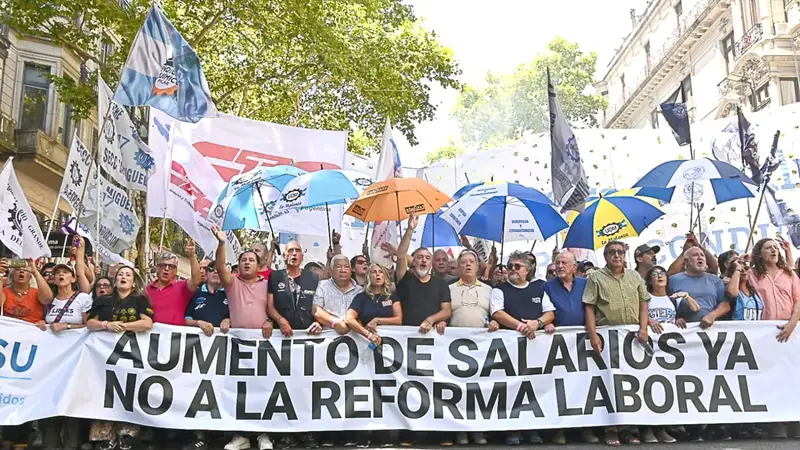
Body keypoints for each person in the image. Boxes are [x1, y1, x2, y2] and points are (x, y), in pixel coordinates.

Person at [211, 227, 275, 450]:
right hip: (237, 346)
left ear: (260, 265)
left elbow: (276, 309)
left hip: (263, 346)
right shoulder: (233, 283)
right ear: (238, 265)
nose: (247, 263)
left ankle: (263, 434)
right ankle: (241, 435)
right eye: (243, 260)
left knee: (262, 389)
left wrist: (271, 322)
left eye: (251, 260)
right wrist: (221, 243)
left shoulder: (268, 285)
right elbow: (220, 267)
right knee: (239, 390)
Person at [583, 240, 649, 446]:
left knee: (632, 383)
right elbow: (589, 308)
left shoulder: (635, 276)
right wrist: (593, 335)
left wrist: (644, 328)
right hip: (608, 336)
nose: (616, 255)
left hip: (632, 337)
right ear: (605, 256)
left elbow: (643, 303)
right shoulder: (595, 277)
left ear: (625, 255)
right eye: (611, 252)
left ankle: (629, 428)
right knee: (610, 384)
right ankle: (610, 429)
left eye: (620, 252)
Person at [395, 214, 452, 447]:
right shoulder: (404, 279)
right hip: (407, 343)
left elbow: (446, 311)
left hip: (433, 343)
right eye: (419, 257)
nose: (424, 261)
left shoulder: (441, 284)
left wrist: (433, 319)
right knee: (409, 387)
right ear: (413, 261)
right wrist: (409, 230)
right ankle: (409, 433)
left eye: (427, 258)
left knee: (436, 386)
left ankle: (440, 433)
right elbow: (400, 255)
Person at [488, 251, 553, 445]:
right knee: (510, 387)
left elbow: (549, 312)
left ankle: (533, 428)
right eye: (510, 266)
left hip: (534, 347)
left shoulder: (539, 288)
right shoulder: (499, 289)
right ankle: (512, 429)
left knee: (534, 386)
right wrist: (521, 327)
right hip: (508, 348)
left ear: (528, 269)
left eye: (517, 266)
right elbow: (497, 313)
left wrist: (537, 323)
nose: (512, 270)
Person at [86, 265, 153, 450]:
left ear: (133, 282)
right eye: (121, 274)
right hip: (103, 355)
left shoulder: (140, 300)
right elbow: (90, 323)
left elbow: (147, 323)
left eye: (128, 275)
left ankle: (127, 433)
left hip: (131, 354)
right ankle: (104, 435)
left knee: (128, 390)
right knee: (104, 391)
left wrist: (124, 326)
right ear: (115, 279)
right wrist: (106, 324)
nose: (123, 277)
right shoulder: (103, 300)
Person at [266, 239, 320, 450]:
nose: (294, 254)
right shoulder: (275, 276)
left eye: (298, 250)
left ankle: (307, 432)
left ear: (302, 255)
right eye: (290, 251)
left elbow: (319, 306)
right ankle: (286, 433)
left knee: (306, 387)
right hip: (283, 340)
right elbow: (269, 306)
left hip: (309, 340)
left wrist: (318, 323)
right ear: (284, 255)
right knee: (284, 387)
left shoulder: (313, 278)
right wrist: (280, 320)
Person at [541, 252, 599, 445]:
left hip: (583, 342)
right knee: (560, 386)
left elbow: (594, 308)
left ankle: (586, 429)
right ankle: (560, 430)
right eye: (557, 262)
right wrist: (546, 324)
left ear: (574, 267)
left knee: (584, 385)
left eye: (564, 262)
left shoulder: (585, 284)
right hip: (559, 343)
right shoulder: (546, 286)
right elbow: (543, 311)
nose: (559, 266)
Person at [344, 263, 402, 449]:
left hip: (388, 351)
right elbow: (349, 319)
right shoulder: (361, 297)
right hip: (366, 349)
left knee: (384, 389)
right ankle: (362, 432)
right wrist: (367, 333)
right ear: (368, 276)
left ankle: (383, 433)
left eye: (381, 272)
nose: (377, 275)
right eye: (374, 272)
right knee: (365, 389)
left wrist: (378, 320)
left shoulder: (391, 296)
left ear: (385, 276)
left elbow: (399, 319)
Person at [449, 249, 494, 445]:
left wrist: (496, 323)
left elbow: (496, 314)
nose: (467, 265)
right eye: (463, 262)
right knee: (458, 391)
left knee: (479, 391)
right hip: (453, 348)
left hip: (482, 348)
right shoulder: (448, 289)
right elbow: (442, 312)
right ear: (458, 267)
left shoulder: (489, 290)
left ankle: (478, 430)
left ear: (477, 267)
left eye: (471, 262)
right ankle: (460, 431)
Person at [640, 265, 678, 444]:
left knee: (664, 389)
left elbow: (681, 316)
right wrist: (649, 320)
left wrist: (679, 320)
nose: (659, 276)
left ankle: (661, 428)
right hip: (649, 348)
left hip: (668, 351)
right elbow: (639, 313)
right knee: (648, 388)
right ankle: (646, 429)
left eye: (662, 273)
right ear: (649, 281)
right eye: (654, 274)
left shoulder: (673, 300)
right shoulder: (646, 298)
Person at [669, 247, 731, 330]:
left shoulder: (715, 280)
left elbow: (725, 305)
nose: (700, 257)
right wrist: (676, 319)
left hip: (711, 329)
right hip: (684, 330)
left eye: (702, 255)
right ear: (686, 261)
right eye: (695, 255)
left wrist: (712, 315)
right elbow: (666, 304)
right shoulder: (673, 280)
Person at [145, 243, 201, 326]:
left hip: (174, 337)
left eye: (171, 266)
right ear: (157, 268)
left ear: (176, 271)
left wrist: (192, 256)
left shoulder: (182, 287)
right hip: (151, 337)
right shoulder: (146, 290)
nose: (166, 269)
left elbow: (196, 280)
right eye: (163, 266)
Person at [313, 255, 362, 340]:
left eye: (346, 267)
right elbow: (316, 310)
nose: (343, 270)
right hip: (327, 340)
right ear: (331, 271)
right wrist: (336, 323)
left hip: (355, 339)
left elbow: (364, 315)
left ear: (351, 271)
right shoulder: (322, 286)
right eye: (338, 267)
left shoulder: (360, 291)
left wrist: (352, 324)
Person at [1, 259, 53, 323]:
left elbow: (47, 299)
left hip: (32, 331)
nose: (21, 271)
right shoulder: (5, 292)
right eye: (17, 269)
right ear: (11, 275)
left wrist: (35, 272)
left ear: (30, 277)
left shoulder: (37, 293)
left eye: (25, 270)